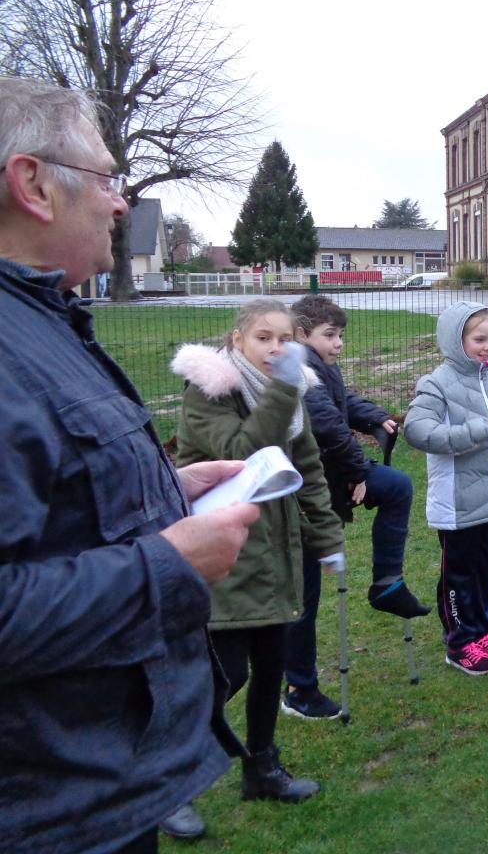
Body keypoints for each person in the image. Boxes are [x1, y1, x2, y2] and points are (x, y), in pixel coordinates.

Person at [0, 76, 258, 853]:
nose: (121, 202)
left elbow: (54, 502)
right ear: (33, 184)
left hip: (97, 780)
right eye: (108, 178)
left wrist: (162, 493)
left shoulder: (41, 320)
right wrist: (169, 563)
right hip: (50, 812)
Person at [172, 300, 346, 805]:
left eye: (285, 339)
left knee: (271, 666)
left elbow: (308, 468)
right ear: (236, 340)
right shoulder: (210, 392)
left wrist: (328, 537)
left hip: (277, 552)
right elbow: (246, 449)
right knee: (226, 674)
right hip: (223, 553)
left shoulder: (290, 397)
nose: (275, 349)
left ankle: (262, 769)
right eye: (263, 338)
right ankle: (167, 785)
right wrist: (287, 388)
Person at [280, 294, 429, 722]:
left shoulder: (319, 365)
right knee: (304, 593)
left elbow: (342, 403)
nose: (339, 343)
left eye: (340, 335)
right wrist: (360, 471)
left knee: (397, 487)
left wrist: (374, 417)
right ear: (302, 334)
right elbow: (325, 421)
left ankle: (387, 583)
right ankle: (299, 688)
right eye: (330, 335)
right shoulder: (297, 369)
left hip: (326, 482)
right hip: (303, 495)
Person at [403, 302, 488, 676]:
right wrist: (482, 430)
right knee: (459, 577)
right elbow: (419, 431)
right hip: (456, 503)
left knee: (485, 571)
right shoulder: (436, 383)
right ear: (455, 339)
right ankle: (459, 643)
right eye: (479, 339)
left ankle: (481, 631)